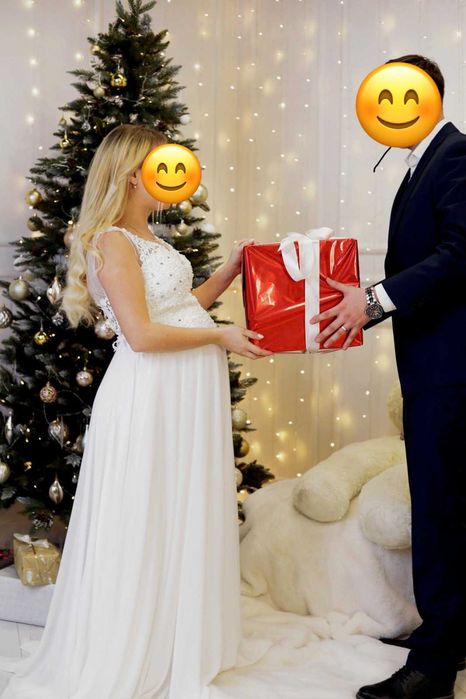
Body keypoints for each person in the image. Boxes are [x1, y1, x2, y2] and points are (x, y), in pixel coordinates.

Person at [0, 123, 272, 699]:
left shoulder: (150, 237)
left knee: (179, 505)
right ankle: (137, 645)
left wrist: (227, 273)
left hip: (183, 389)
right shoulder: (113, 241)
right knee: (149, 510)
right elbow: (143, 335)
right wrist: (222, 337)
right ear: (131, 174)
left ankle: (176, 638)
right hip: (152, 392)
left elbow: (177, 308)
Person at [310, 54, 466, 699]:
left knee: (440, 511)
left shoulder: (455, 156)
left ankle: (435, 667)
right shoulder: (422, 162)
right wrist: (364, 304)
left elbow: (460, 253)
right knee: (445, 506)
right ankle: (448, 635)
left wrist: (373, 301)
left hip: (451, 369)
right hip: (437, 364)